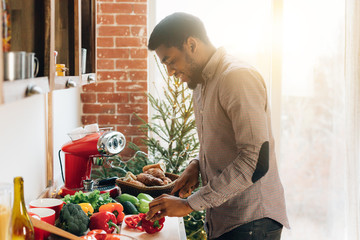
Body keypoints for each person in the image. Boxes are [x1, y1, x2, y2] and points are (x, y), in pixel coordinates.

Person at [145, 12, 289, 240]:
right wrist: (196, 166)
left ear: (191, 44)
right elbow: (222, 141)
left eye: (171, 61)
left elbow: (255, 161)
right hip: (227, 220)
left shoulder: (237, 77)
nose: (170, 72)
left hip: (252, 221)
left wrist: (188, 204)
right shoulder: (200, 83)